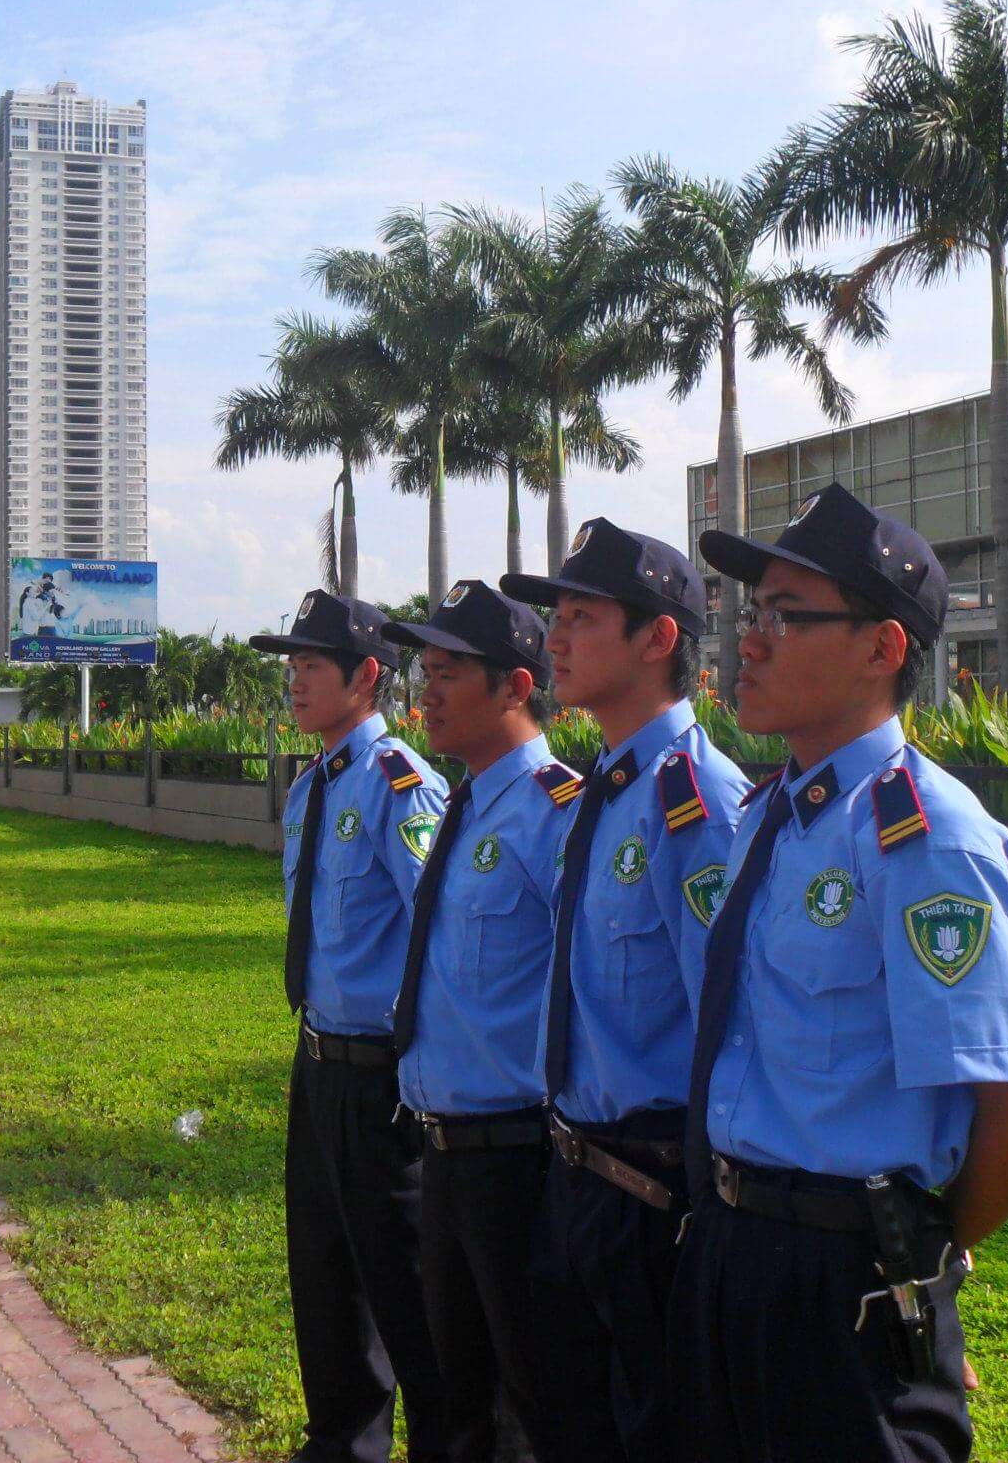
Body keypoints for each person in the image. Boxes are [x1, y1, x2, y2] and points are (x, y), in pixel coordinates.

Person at [673, 482, 1008, 1462]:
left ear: (882, 649)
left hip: (843, 1280)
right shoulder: (767, 814)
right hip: (726, 1249)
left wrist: (923, 1269)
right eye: (749, 615)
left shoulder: (926, 842)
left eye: (787, 618)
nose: (747, 643)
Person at [498, 519, 749, 1460]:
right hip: (572, 1178)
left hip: (654, 1204)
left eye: (581, 616)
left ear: (658, 638)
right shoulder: (598, 793)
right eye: (554, 616)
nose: (555, 636)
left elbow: (730, 1029)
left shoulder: (697, 803)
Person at [250, 590, 452, 1463]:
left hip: (381, 1073)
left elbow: (436, 932)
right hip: (318, 1060)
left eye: (312, 665)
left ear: (366, 676)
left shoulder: (398, 783)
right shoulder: (312, 785)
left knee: (403, 1284)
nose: (294, 682)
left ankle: (445, 1443)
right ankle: (342, 1443)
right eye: (290, 666)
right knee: (324, 1271)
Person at [380, 582, 577, 1463]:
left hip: (517, 1158)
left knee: (524, 1404)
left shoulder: (555, 811)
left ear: (515, 687)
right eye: (424, 669)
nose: (427, 691)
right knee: (458, 1394)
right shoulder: (462, 803)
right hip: (444, 1154)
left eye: (449, 672)